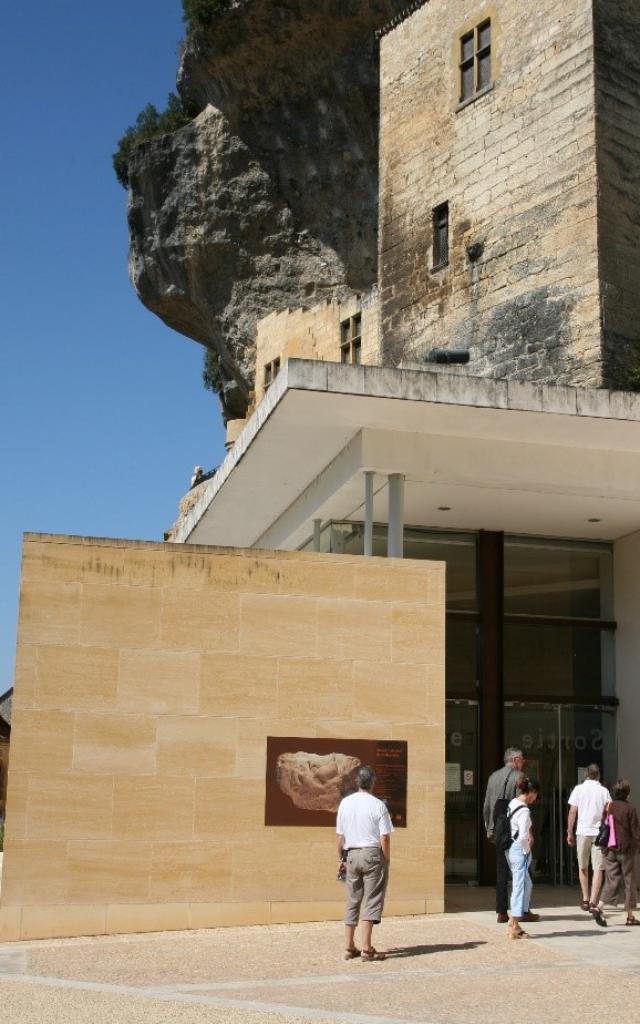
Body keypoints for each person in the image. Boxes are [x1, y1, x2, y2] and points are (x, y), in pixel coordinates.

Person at [336, 765, 393, 962]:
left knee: (353, 900)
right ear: (373, 782)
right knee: (371, 899)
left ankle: (349, 946)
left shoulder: (345, 803)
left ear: (357, 782)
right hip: (371, 854)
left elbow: (340, 837)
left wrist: (341, 858)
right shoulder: (378, 805)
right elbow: (384, 837)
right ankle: (367, 949)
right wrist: (385, 860)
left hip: (351, 854)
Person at [484, 747, 539, 924]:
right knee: (522, 872)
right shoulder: (519, 777)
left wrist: (489, 828)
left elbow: (486, 805)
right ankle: (522, 910)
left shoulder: (493, 777)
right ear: (515, 760)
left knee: (501, 871)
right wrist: (529, 833)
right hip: (514, 832)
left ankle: (501, 911)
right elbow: (522, 807)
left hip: (498, 830)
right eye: (521, 759)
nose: (523, 763)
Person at [590, 778, 640, 927]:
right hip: (625, 849)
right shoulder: (630, 809)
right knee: (629, 880)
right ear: (627, 793)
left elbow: (604, 825)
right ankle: (630, 916)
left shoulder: (609, 806)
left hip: (609, 848)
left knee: (612, 879)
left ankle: (599, 906)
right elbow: (635, 831)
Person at [567, 764, 611, 912]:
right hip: (599, 833)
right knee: (598, 868)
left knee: (583, 866)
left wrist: (569, 832)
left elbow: (573, 811)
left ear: (586, 774)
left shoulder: (578, 789)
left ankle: (585, 899)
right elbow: (608, 811)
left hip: (582, 831)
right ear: (598, 775)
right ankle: (593, 901)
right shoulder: (604, 791)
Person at [506, 774, 540, 939]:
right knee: (520, 885)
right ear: (532, 792)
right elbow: (523, 836)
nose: (535, 799)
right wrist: (527, 850)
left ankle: (518, 917)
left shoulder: (513, 803)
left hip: (511, 848)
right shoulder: (524, 810)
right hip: (519, 849)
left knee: (526, 883)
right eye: (536, 795)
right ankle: (514, 923)